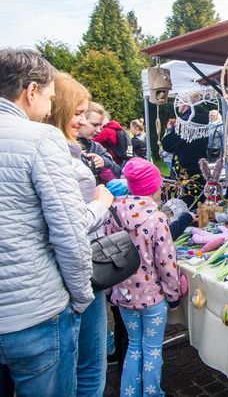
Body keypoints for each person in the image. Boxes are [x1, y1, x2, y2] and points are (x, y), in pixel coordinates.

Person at [0, 48, 94, 396]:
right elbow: (69, 232)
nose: (52, 107)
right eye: (50, 96)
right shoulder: (40, 138)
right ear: (31, 91)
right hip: (34, 313)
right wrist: (81, 296)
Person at [47, 72, 114, 397]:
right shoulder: (53, 155)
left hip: (74, 275)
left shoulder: (66, 151)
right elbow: (67, 225)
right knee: (86, 369)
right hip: (77, 276)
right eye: (76, 113)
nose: (82, 121)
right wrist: (101, 203)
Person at [107, 158, 180, 397]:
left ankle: (129, 393)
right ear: (154, 187)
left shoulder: (113, 213)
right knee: (152, 350)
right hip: (152, 297)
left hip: (123, 295)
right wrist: (173, 294)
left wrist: (110, 291)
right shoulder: (156, 218)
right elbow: (166, 262)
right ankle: (152, 393)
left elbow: (106, 254)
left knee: (133, 346)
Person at [78, 101, 121, 183]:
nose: (98, 131)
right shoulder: (63, 144)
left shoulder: (97, 147)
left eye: (101, 127)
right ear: (81, 119)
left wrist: (103, 162)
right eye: (94, 125)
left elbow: (117, 171)